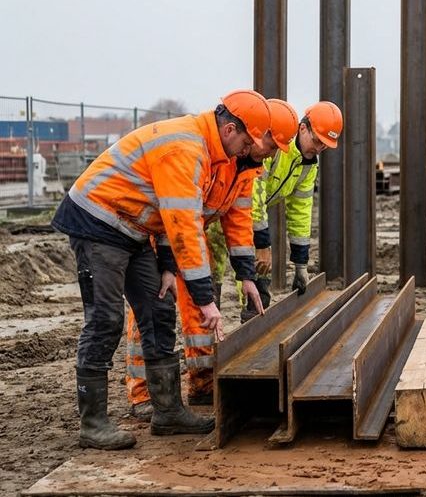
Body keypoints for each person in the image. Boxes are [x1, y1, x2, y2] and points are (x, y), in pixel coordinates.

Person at [51, 89, 271, 450]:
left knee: (157, 309)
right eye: (246, 142)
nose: (246, 151)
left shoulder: (210, 154)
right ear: (230, 129)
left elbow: (172, 214)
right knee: (106, 319)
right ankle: (93, 424)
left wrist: (168, 266)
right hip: (98, 223)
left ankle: (167, 412)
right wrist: (205, 299)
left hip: (134, 230)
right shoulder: (185, 149)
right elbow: (184, 225)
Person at [122, 96, 297, 419]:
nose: (272, 155)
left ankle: (202, 382)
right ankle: (142, 392)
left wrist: (247, 276)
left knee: (200, 308)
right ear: (259, 135)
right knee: (149, 308)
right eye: (272, 147)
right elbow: (181, 212)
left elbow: (239, 221)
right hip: (163, 231)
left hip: (192, 232)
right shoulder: (221, 154)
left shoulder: (247, 168)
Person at [245, 101, 342, 320]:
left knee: (257, 279)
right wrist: (262, 245)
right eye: (317, 141)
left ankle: (250, 324)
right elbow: (253, 196)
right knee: (218, 275)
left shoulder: (308, 166)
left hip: (249, 213)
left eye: (324, 146)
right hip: (234, 209)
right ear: (302, 128)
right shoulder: (276, 147)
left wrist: (300, 265)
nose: (318, 149)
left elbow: (300, 212)